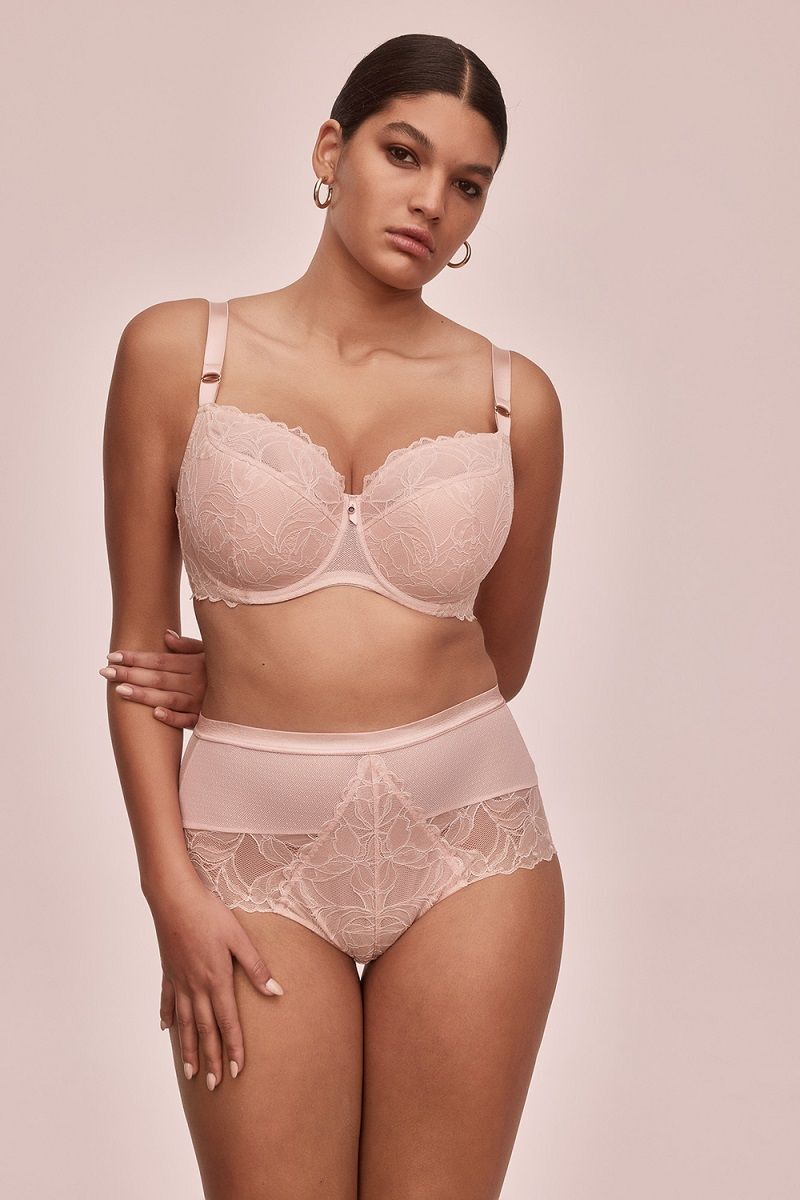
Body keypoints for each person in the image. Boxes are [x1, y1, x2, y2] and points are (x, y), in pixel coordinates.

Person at [101, 32, 565, 1200]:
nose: (431, 202)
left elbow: (500, 657)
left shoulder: (515, 400)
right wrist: (170, 892)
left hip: (469, 846)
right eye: (402, 154)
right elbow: (139, 654)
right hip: (247, 859)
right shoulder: (178, 353)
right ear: (330, 151)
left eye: (467, 183)